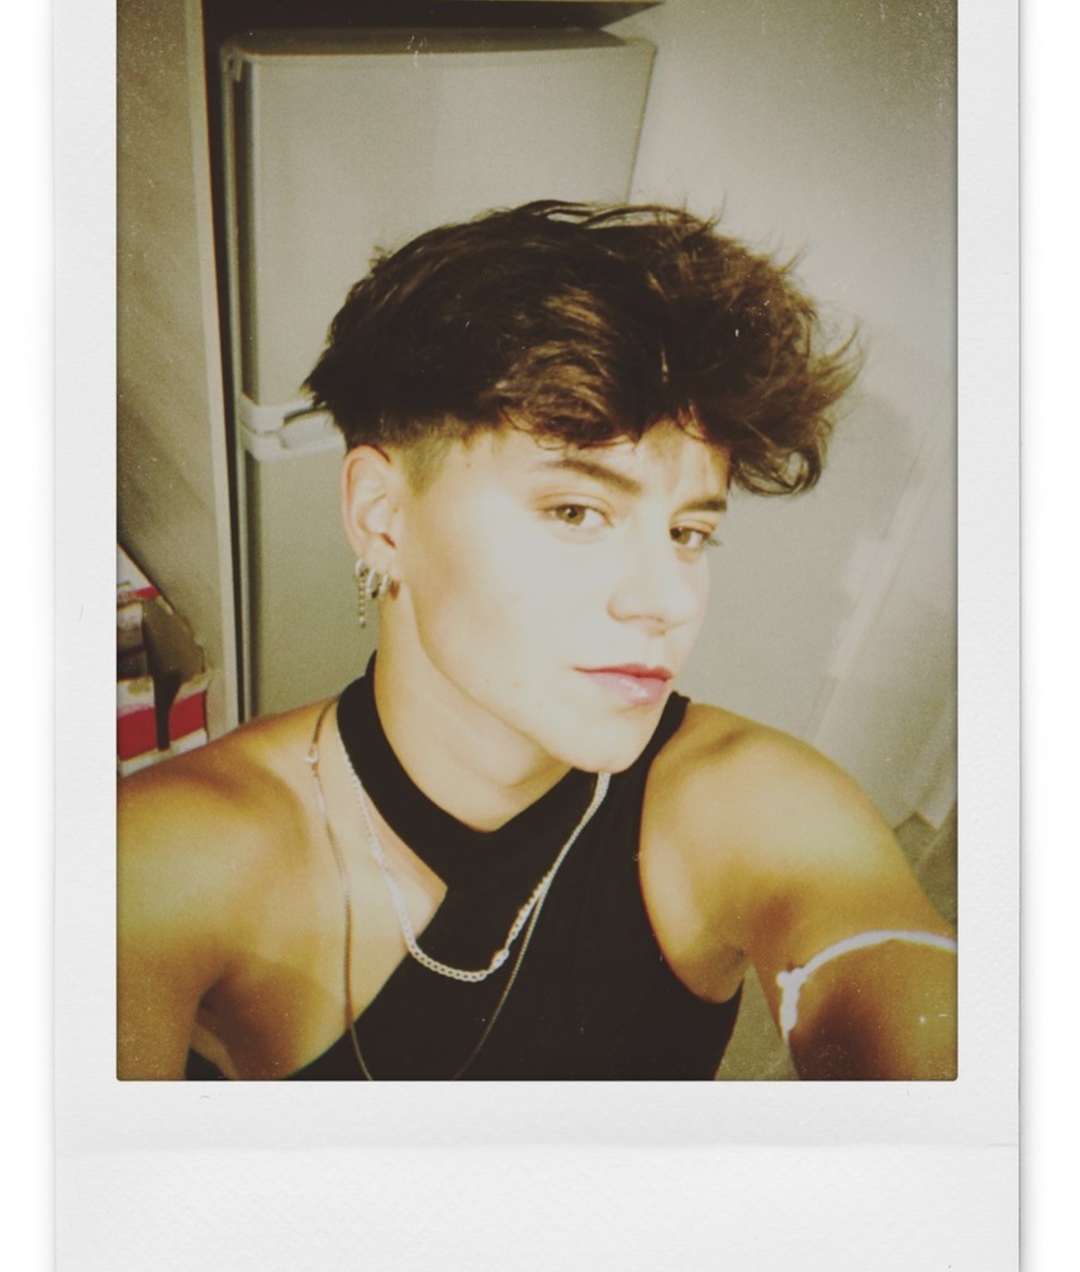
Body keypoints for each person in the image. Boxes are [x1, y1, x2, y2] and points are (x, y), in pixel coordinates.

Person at [117, 200, 956, 1082]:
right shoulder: (173, 855)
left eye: (688, 532)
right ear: (383, 517)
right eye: (576, 511)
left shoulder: (745, 804)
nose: (669, 599)